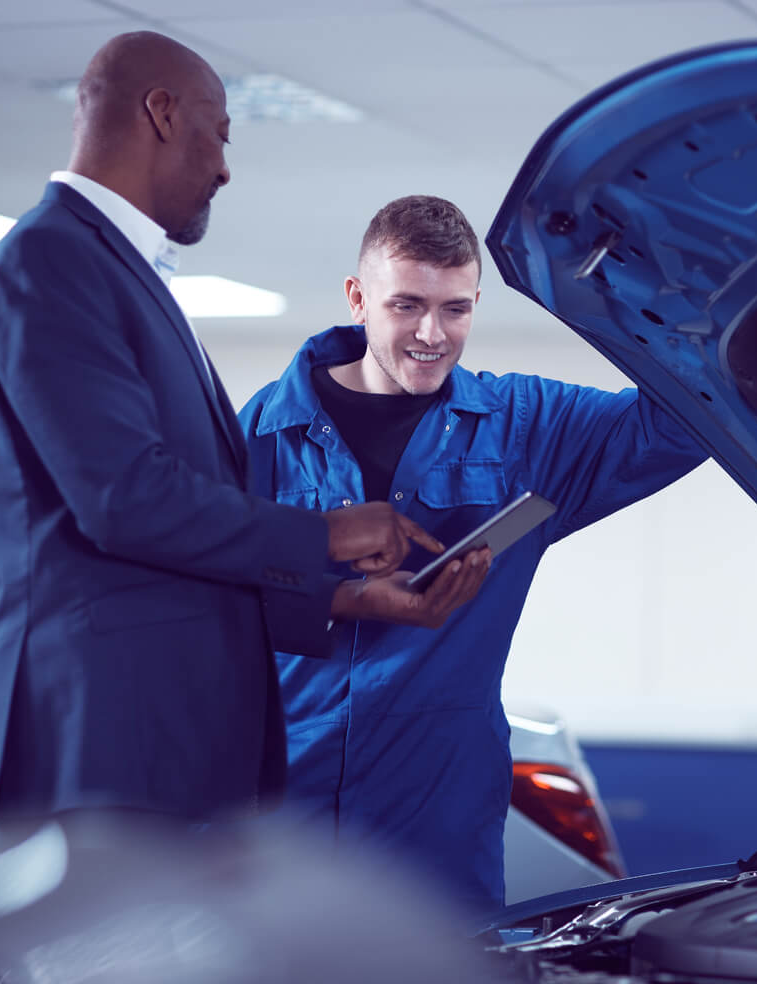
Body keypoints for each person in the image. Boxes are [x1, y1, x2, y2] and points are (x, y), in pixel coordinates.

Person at [0, 35, 487, 825]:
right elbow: (125, 500)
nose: (224, 167)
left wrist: (346, 597)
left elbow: (175, 550)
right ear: (161, 113)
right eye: (219, 133)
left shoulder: (123, 273)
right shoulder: (52, 260)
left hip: (153, 739)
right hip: (100, 742)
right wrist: (327, 534)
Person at [238, 195, 708, 912]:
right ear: (358, 299)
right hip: (274, 806)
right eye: (407, 305)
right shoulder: (260, 435)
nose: (432, 333)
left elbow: (682, 421)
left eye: (455, 309)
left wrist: (634, 284)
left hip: (436, 819)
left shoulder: (529, 429)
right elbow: (198, 597)